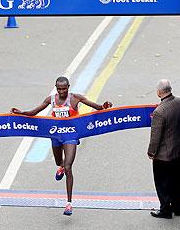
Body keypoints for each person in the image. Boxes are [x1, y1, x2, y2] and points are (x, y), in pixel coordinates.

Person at [11, 76, 112, 215]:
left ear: (68, 87)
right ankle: (61, 167)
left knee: (69, 166)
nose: (62, 91)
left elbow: (98, 107)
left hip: (71, 136)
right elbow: (34, 112)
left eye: (64, 88)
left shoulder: (76, 98)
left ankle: (69, 203)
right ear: (56, 88)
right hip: (56, 136)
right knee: (60, 162)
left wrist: (104, 106)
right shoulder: (51, 99)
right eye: (59, 89)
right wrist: (21, 113)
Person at [147, 79, 180, 219]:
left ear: (159, 92)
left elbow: (155, 137)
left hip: (163, 156)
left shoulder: (159, 112)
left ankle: (165, 210)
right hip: (178, 150)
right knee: (177, 180)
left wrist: (151, 152)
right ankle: (177, 208)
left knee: (162, 183)